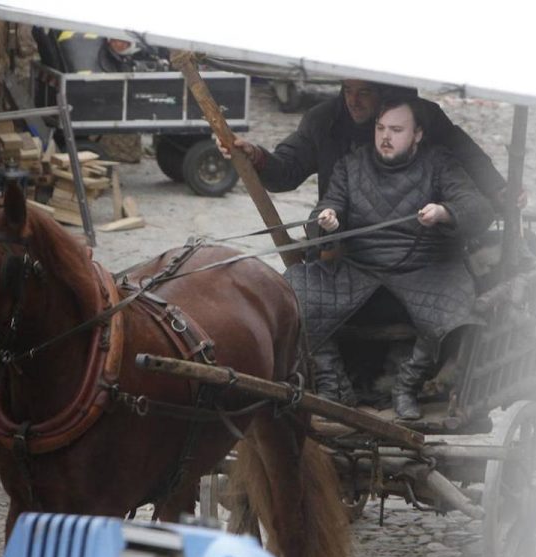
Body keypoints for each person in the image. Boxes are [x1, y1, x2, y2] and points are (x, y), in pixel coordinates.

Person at [284, 96, 494, 418]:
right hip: (359, 271)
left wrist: (445, 211)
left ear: (417, 134)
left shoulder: (440, 164)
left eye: (396, 129)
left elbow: (478, 208)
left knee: (453, 301)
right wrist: (326, 219)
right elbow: (329, 206)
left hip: (424, 270)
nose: (385, 136)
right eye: (381, 128)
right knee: (295, 288)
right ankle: (333, 383)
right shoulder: (351, 166)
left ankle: (406, 385)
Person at [219, 79, 514, 213]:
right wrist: (256, 157)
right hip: (340, 238)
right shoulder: (324, 120)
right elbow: (286, 171)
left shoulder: (423, 118)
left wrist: (498, 189)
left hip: (414, 244)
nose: (353, 101)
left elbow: (465, 157)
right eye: (348, 90)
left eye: (364, 92)